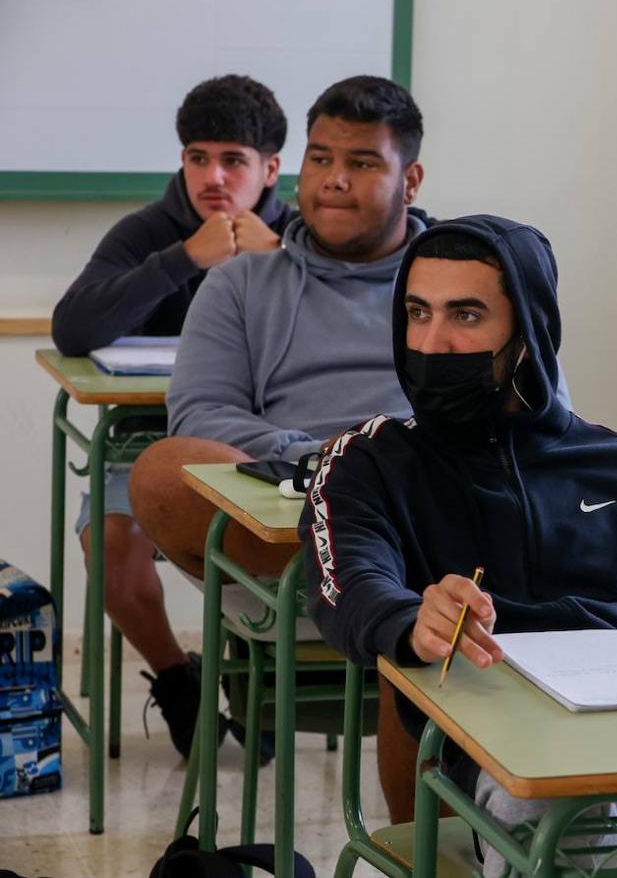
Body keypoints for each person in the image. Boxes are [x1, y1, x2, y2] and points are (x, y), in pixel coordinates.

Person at [301, 216, 617, 865]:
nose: (434, 342)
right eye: (417, 313)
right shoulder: (371, 462)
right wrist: (411, 617)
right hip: (513, 765)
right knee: (560, 818)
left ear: (528, 332)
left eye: (466, 316)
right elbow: (347, 583)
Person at [125, 75, 427, 757]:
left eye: (361, 163)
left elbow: (531, 410)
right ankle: (385, 598)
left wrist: (390, 469)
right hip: (290, 514)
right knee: (163, 470)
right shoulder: (240, 282)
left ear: (409, 179)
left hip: (420, 504)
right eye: (320, 159)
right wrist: (329, 461)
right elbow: (201, 412)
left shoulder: (462, 276)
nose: (334, 181)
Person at [49, 75, 293, 755]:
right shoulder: (149, 231)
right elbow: (74, 327)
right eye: (197, 157)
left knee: (262, 563)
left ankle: (257, 684)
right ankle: (178, 681)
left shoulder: (300, 235)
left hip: (260, 442)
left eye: (234, 160)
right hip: (147, 438)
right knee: (113, 556)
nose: (213, 176)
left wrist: (281, 265)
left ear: (270, 169)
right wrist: (183, 258)